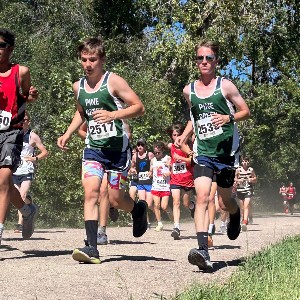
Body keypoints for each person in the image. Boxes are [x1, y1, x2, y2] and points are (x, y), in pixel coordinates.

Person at [57, 36, 147, 264]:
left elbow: (139, 107)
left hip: (117, 151)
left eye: (92, 60)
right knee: (91, 192)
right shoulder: (78, 87)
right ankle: (92, 248)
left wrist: (113, 114)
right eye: (84, 60)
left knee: (115, 199)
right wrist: (68, 134)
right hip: (93, 149)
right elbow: (81, 112)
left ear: (102, 59)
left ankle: (137, 210)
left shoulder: (113, 81)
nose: (88, 64)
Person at [175, 40, 250, 271]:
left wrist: (228, 118)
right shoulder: (189, 90)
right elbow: (194, 119)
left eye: (209, 58)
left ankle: (235, 213)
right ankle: (202, 251)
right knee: (203, 196)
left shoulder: (225, 86)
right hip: (203, 152)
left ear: (216, 61)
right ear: (196, 61)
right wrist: (185, 137)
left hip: (226, 153)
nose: (204, 62)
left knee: (225, 200)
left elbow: (245, 111)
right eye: (200, 58)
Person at [0, 28, 39, 244]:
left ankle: (0, 229)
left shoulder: (21, 71)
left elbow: (26, 97)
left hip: (11, 131)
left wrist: (31, 96)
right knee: (2, 185)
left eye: (1, 45)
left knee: (4, 179)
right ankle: (27, 210)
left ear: (10, 49)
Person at [77, 122, 119, 246]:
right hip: (94, 154)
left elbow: (127, 133)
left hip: (114, 156)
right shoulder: (92, 110)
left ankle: (102, 231)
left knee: (106, 192)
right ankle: (93, 235)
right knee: (93, 192)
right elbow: (80, 130)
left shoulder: (116, 110)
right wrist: (93, 139)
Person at [13, 111, 48, 233]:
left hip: (27, 170)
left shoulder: (33, 136)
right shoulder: (12, 134)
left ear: (29, 122)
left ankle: (20, 224)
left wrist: (35, 158)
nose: (23, 122)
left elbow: (45, 151)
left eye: (25, 120)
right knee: (14, 197)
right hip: (14, 170)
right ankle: (29, 202)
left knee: (21, 196)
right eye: (20, 120)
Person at [168, 124, 195, 240]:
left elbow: (192, 160)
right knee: (176, 201)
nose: (176, 137)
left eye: (178, 135)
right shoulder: (171, 146)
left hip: (187, 178)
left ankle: (192, 206)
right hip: (175, 179)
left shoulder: (187, 146)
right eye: (174, 135)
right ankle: (176, 228)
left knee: (185, 203)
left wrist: (182, 159)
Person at [149, 141, 173, 231]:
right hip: (155, 185)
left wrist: (169, 172)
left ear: (163, 150)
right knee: (156, 205)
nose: (156, 154)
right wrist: (149, 173)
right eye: (155, 153)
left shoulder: (168, 158)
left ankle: (172, 217)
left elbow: (173, 171)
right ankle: (159, 223)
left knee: (164, 206)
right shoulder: (153, 160)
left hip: (165, 186)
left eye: (158, 152)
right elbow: (150, 171)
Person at [131, 138, 154, 228]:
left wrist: (151, 171)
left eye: (142, 145)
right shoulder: (134, 156)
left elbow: (153, 165)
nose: (140, 146)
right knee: (142, 203)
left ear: (145, 146)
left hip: (149, 182)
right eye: (138, 145)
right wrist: (133, 170)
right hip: (140, 182)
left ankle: (156, 211)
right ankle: (146, 223)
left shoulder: (149, 154)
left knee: (149, 204)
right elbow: (132, 167)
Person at [235, 156, 257, 231]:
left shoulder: (251, 170)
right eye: (243, 161)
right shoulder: (238, 170)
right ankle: (243, 219)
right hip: (240, 190)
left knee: (246, 206)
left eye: (246, 161)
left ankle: (245, 222)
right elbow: (234, 179)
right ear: (242, 162)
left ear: (248, 162)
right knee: (242, 208)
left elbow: (255, 179)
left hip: (248, 190)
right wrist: (239, 180)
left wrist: (250, 179)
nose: (244, 162)